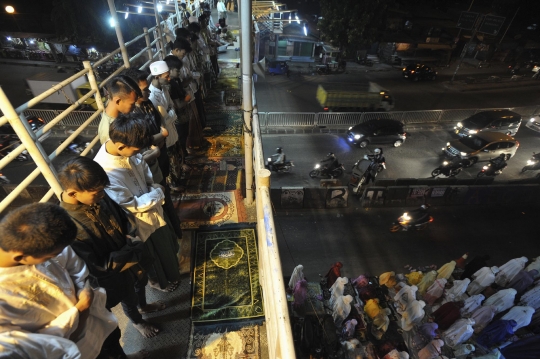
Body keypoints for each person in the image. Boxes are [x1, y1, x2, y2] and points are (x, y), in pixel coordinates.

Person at [0, 203, 126, 359]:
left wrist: (82, 290)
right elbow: (32, 345)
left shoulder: (43, 246)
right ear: (20, 257)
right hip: (69, 346)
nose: (54, 257)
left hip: (93, 320)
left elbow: (73, 265)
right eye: (50, 257)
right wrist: (80, 311)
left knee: (111, 344)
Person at [58, 156, 164, 339]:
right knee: (128, 297)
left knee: (140, 283)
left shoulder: (95, 194)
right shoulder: (67, 226)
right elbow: (98, 266)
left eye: (102, 191)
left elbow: (123, 216)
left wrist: (132, 237)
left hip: (130, 254)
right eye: (96, 193)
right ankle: (137, 320)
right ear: (73, 193)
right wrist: (132, 247)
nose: (101, 195)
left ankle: (144, 306)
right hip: (115, 272)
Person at [93, 114, 181, 293]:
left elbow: (142, 166)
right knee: (151, 257)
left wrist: (151, 185)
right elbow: (129, 204)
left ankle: (169, 274)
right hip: (139, 221)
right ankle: (159, 283)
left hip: (152, 204)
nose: (137, 154)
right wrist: (157, 191)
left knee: (165, 246)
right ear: (121, 146)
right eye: (135, 150)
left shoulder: (128, 149)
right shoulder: (105, 171)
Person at [97, 75, 142, 145]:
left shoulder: (121, 114)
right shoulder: (109, 132)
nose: (135, 107)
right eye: (132, 104)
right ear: (118, 101)